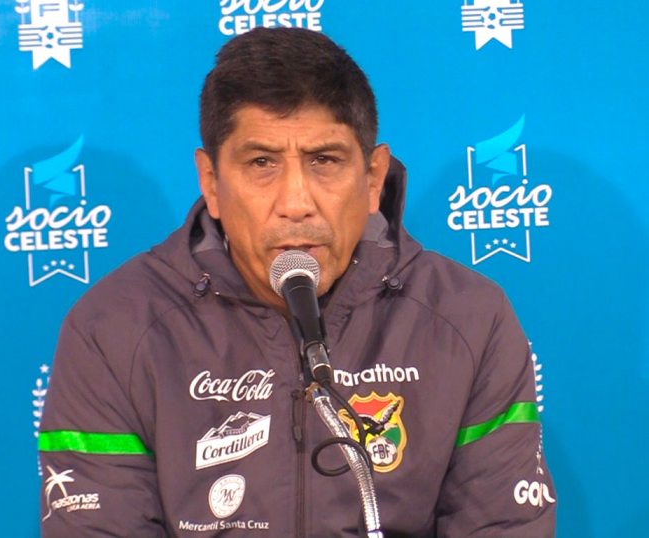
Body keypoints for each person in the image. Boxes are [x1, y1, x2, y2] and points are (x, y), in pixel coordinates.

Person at [39, 27, 556, 537]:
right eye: (261, 163)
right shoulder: (114, 328)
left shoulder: (469, 318)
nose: (295, 203)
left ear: (373, 178)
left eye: (324, 161)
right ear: (212, 182)